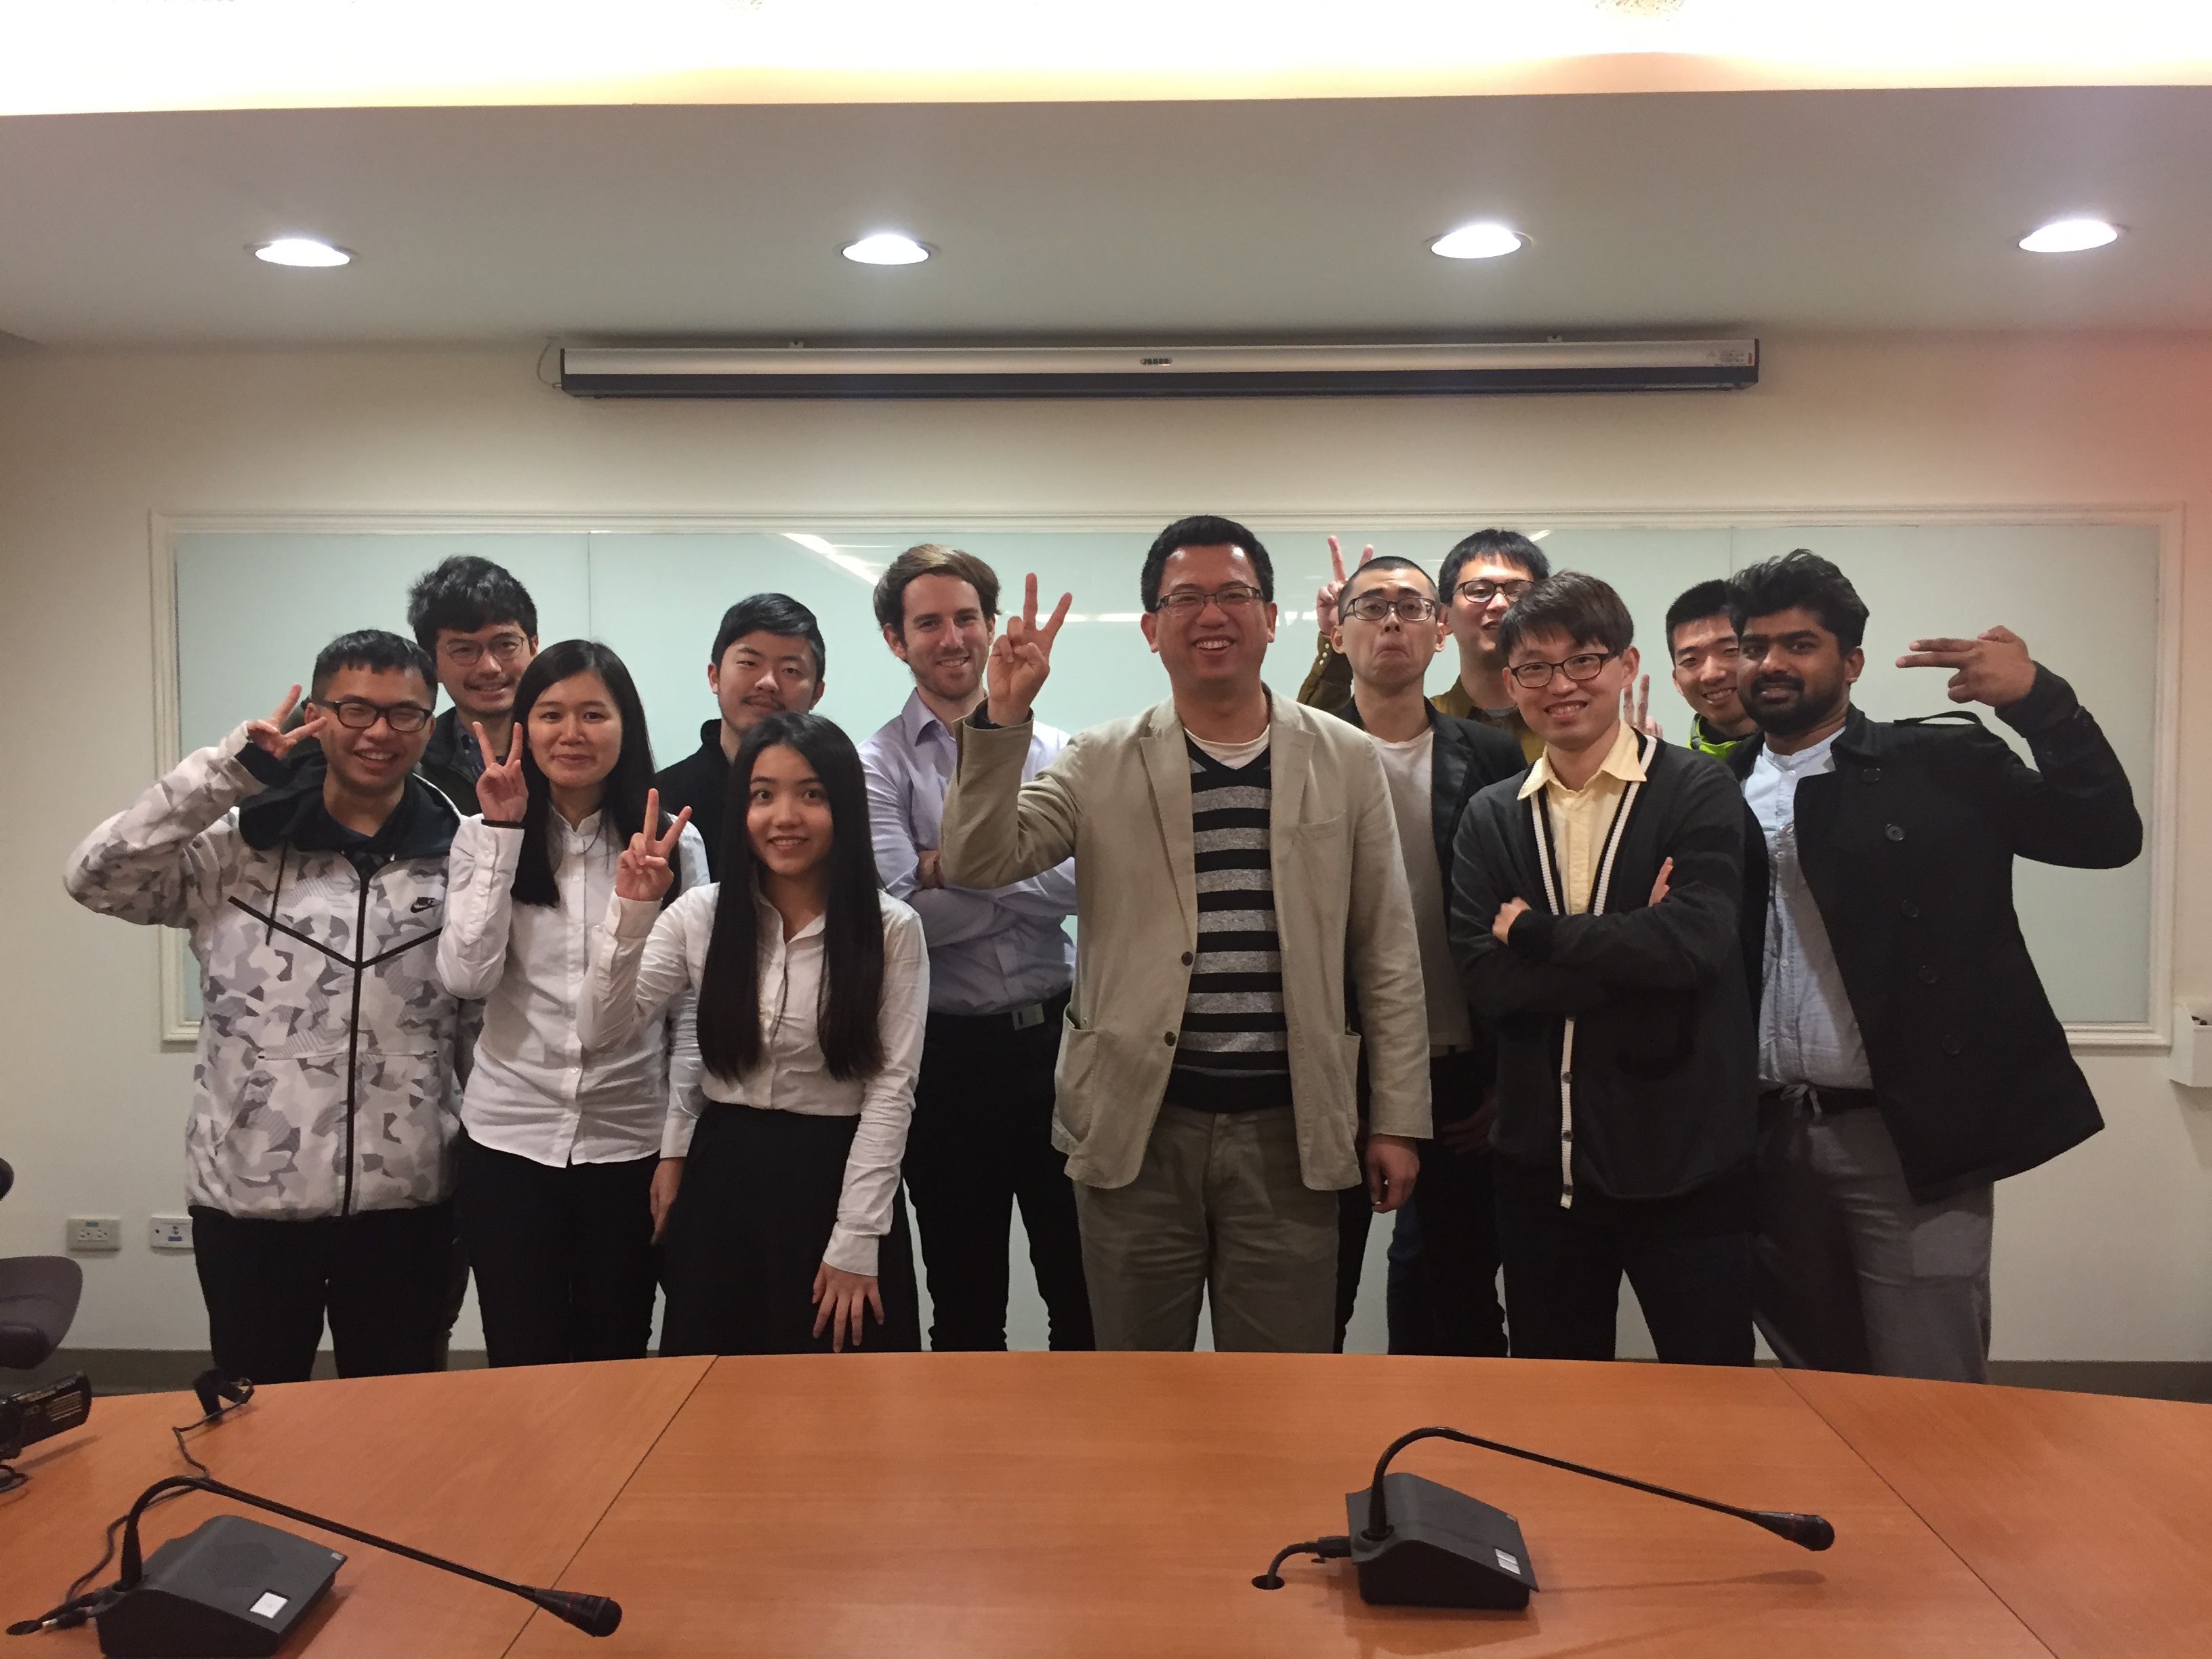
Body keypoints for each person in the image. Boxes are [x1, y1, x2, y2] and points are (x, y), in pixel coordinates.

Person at [939, 514, 1430, 1354]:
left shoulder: (1346, 759)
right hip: (1137, 1128)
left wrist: (1397, 1118)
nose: (1212, 614)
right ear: (1151, 628)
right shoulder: (1098, 758)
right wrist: (1001, 718)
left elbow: (1387, 949)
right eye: (1185, 598)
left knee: (1282, 1391)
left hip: (1292, 1132)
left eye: (1234, 594)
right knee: (1139, 1389)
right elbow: (978, 859)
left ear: (1270, 618)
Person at [1725, 550, 2140, 1383]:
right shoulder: (1710, 790)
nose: (1771, 663)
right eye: (1755, 645)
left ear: (1851, 663)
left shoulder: (1940, 764)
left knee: (1931, 1384)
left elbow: (2103, 835)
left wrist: (2039, 701)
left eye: (1800, 644)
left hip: (1909, 1136)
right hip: (1764, 1137)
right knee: (1817, 1385)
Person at [64, 630, 464, 1383]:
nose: (379, 732)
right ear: (316, 715)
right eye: (355, 709)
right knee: (256, 1413)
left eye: (404, 713)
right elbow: (94, 878)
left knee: (401, 1419)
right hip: (249, 1196)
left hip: (408, 1200)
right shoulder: (232, 850)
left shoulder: (463, 857)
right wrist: (227, 774)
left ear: (428, 722)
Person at [1450, 573, 1758, 1366]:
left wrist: (1535, 933)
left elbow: (1695, 946)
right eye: (1535, 668)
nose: (1561, 686)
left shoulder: (1697, 788)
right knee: (1554, 1399)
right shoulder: (1492, 814)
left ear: (1625, 665)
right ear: (1510, 682)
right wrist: (1635, 944)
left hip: (1685, 1165)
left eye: (1582, 661)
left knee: (1711, 1393)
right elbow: (1486, 978)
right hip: (1538, 1172)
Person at [588, 713, 926, 1355]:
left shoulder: (892, 929)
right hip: (724, 1176)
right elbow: (602, 1031)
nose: (784, 817)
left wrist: (857, 1238)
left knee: (844, 1388)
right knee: (715, 1387)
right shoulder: (701, 915)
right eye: (763, 795)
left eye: (812, 794)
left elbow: (891, 1090)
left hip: (835, 1178)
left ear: (844, 806)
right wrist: (632, 909)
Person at [435, 640, 708, 1368]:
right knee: (521, 1356)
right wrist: (502, 834)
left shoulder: (675, 847)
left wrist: (677, 1148)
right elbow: (466, 978)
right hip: (508, 1141)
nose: (572, 733)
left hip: (630, 1142)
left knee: (614, 1355)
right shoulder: (478, 836)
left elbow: (689, 1015)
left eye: (594, 713)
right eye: (551, 714)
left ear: (626, 727)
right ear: (524, 727)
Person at [859, 545, 1093, 1352]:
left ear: (991, 627)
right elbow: (904, 921)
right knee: (965, 1304)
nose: (952, 637)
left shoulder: (1059, 751)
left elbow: (1084, 889)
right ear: (896, 640)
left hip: (1061, 1046)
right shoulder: (875, 765)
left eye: (966, 618)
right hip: (946, 1059)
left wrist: (949, 864)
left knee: (1083, 1289)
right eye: (928, 623)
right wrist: (1011, 865)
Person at [1324, 554, 1523, 1357]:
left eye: (1412, 607)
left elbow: (1518, 916)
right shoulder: (1304, 754)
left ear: (1442, 631)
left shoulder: (1492, 757)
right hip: (1335, 1069)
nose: (1392, 623)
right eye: (1370, 607)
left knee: (1463, 1297)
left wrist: (1504, 1074)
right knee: (1317, 1302)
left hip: (1459, 1071)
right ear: (1337, 634)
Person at [1300, 529, 1552, 762]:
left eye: (1517, 591)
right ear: (1444, 617)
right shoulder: (1418, 727)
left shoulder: (1566, 717)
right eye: (1478, 591)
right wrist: (1349, 623)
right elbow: (1308, 741)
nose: (1499, 604)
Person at [654, 594, 827, 879]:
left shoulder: (836, 795)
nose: (768, 682)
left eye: (790, 670)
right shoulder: (663, 800)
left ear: (817, 694)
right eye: (749, 663)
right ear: (714, 676)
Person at [405, 556, 541, 810]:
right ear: (432, 663)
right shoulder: (409, 764)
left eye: (506, 644)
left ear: (533, 648)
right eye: (464, 650)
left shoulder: (568, 750)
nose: (490, 667)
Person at [1664, 579, 1758, 760]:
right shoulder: (1673, 770)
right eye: (1691, 660)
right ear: (1676, 681)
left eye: (1730, 651)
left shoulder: (1812, 756)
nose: (1712, 675)